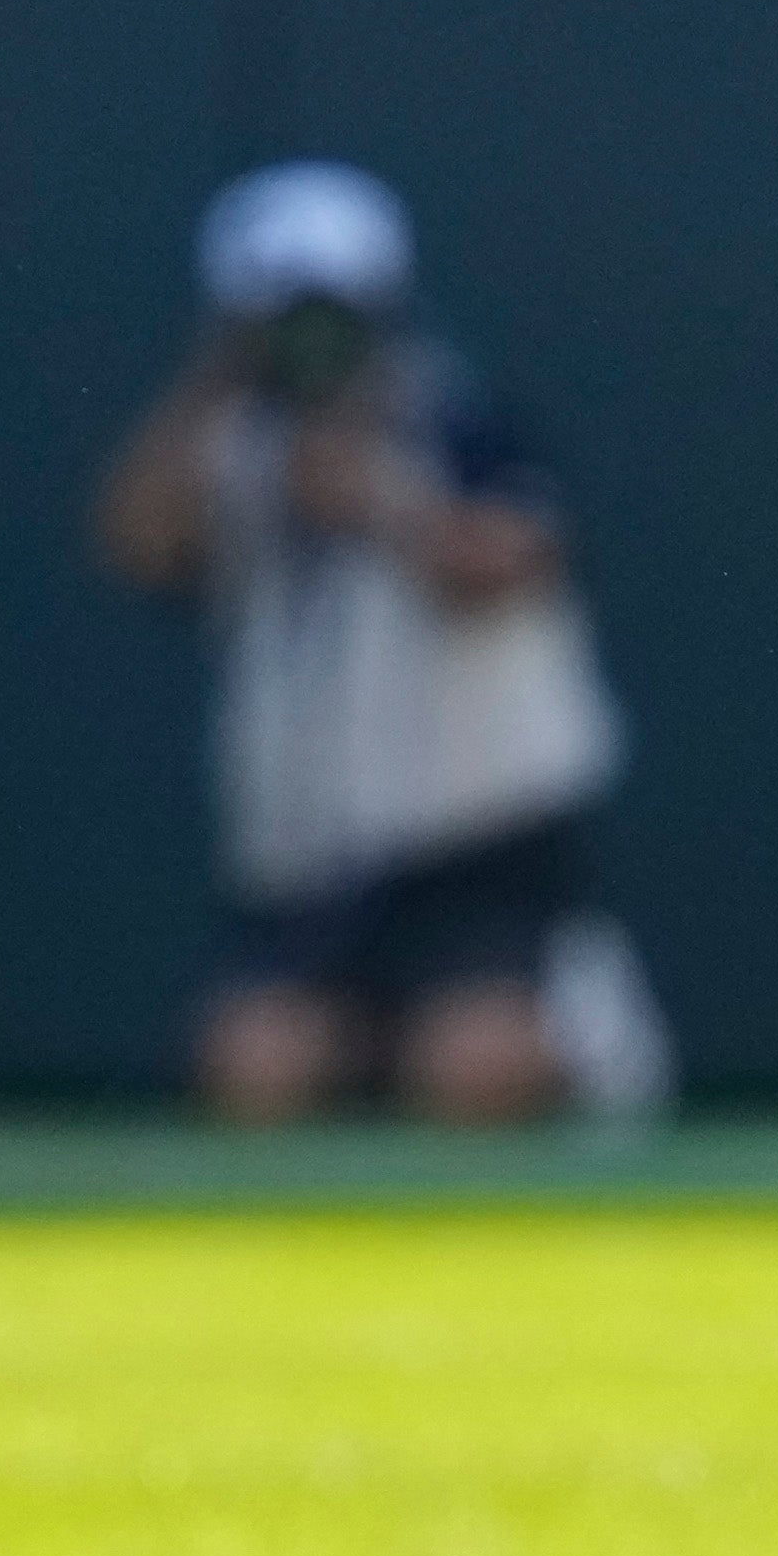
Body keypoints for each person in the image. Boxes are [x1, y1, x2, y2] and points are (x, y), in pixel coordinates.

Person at [93, 160, 643, 1131]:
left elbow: (511, 562)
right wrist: (214, 380)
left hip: (474, 845)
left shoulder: (456, 418)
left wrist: (382, 503)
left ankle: (573, 1022)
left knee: (474, 1071)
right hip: (308, 858)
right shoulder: (231, 448)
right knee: (254, 1070)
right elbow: (136, 541)